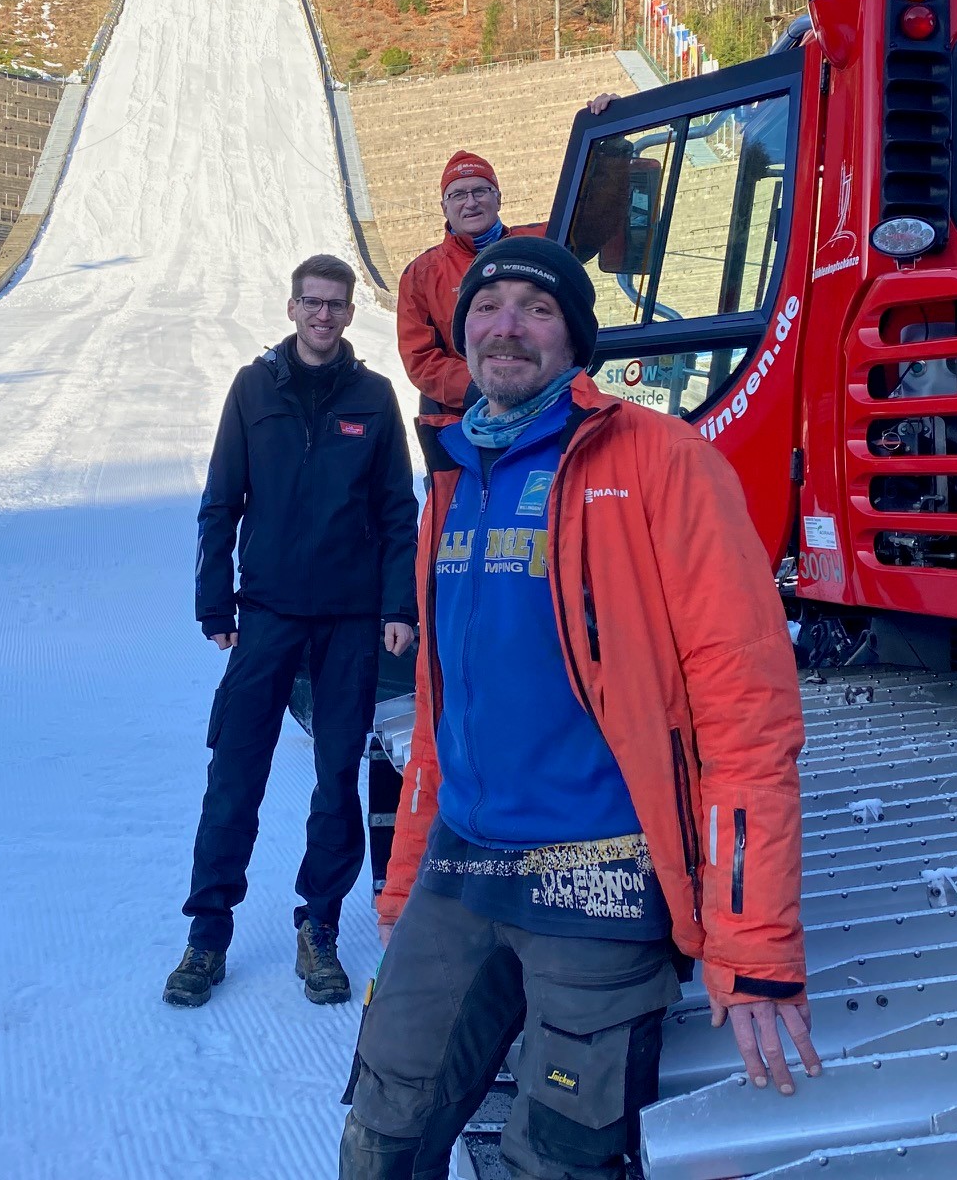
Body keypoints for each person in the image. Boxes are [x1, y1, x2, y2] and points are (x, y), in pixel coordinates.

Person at [340, 236, 819, 1179]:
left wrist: (756, 944)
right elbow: (442, 712)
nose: (505, 326)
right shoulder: (452, 479)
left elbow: (746, 711)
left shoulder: (661, 462)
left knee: (556, 1162)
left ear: (575, 339)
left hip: (600, 880)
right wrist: (400, 886)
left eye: (535, 308)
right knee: (380, 1130)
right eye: (486, 307)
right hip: (460, 869)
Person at [166, 253, 421, 1010]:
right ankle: (207, 936)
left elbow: (397, 515)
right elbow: (222, 500)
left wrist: (397, 608)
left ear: (348, 314)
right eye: (311, 302)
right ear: (291, 308)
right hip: (268, 614)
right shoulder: (253, 389)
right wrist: (216, 602)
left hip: (346, 622)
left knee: (337, 779)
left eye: (336, 305)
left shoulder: (373, 398)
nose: (323, 315)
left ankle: (320, 928)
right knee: (234, 776)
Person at [395, 151, 543, 423]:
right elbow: (420, 358)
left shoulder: (538, 242)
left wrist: (609, 145)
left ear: (498, 197)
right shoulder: (422, 274)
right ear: (444, 207)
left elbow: (592, 225)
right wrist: (489, 387)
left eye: (480, 191)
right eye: (459, 195)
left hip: (545, 405)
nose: (471, 202)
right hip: (469, 419)